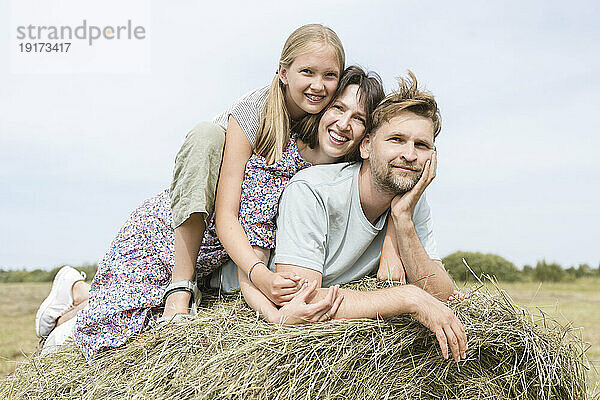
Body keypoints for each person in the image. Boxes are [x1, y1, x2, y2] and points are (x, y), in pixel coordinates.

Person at [36, 65, 386, 359]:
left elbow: (259, 253)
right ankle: (68, 312)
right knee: (107, 331)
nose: (344, 123)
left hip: (214, 258)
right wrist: (274, 312)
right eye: (338, 108)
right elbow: (251, 256)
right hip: (171, 235)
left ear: (367, 135)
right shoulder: (276, 152)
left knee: (138, 308)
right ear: (321, 107)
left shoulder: (333, 181)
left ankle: (75, 292)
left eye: (359, 118)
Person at [215, 71, 468, 363]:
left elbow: (443, 298)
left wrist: (402, 220)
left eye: (421, 145)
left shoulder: (410, 202)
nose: (410, 155)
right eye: (396, 140)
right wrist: (408, 298)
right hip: (241, 287)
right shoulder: (311, 190)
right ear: (366, 145)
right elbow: (301, 300)